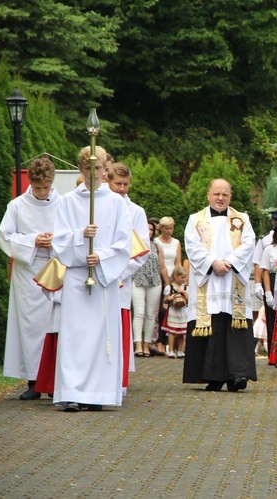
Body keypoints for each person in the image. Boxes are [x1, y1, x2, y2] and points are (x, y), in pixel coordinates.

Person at [52, 145, 131, 412]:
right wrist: (79, 236)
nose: (94, 173)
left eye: (98, 168)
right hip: (76, 278)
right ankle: (72, 391)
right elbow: (59, 242)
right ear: (80, 169)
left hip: (102, 280)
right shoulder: (66, 202)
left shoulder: (117, 203)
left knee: (101, 337)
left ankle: (99, 393)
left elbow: (124, 244)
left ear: (105, 169)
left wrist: (102, 257)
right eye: (88, 168)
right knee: (75, 337)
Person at [182, 178, 257, 392]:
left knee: (232, 323)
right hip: (209, 280)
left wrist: (230, 263)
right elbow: (193, 246)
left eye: (225, 194)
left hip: (233, 279)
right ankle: (212, 376)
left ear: (230, 196)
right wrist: (212, 263)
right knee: (212, 323)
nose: (220, 197)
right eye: (216, 193)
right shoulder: (195, 220)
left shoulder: (242, 219)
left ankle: (237, 375)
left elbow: (249, 243)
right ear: (208, 195)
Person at [0, 155, 60, 400]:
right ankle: (33, 380)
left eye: (46, 187)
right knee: (30, 327)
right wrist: (33, 240)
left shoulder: (63, 203)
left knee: (54, 325)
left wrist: (55, 240)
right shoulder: (17, 206)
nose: (43, 193)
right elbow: (4, 237)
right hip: (28, 272)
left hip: (56, 269)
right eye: (37, 188)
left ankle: (54, 381)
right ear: (30, 183)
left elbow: (72, 234)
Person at [108, 162, 150, 390]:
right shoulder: (99, 207)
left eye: (125, 184)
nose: (122, 188)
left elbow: (142, 250)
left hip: (121, 280)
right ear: (108, 181)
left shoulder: (136, 212)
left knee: (119, 331)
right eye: (118, 184)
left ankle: (118, 384)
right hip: (99, 277)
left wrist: (119, 273)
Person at [253, 209, 277, 358]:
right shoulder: (266, 243)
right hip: (272, 280)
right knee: (271, 316)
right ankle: (273, 354)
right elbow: (261, 267)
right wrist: (261, 286)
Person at [132, 218, 167, 357]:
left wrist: (168, 283)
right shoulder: (135, 243)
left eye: (152, 229)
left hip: (155, 281)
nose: (149, 232)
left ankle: (147, 344)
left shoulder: (157, 246)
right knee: (139, 312)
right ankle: (138, 343)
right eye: (147, 229)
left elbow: (162, 266)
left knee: (151, 313)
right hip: (138, 280)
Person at [153, 216, 182, 355]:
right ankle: (159, 341)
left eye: (171, 228)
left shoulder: (176, 242)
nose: (169, 231)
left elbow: (178, 263)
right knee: (161, 310)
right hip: (160, 277)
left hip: (174, 278)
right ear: (161, 228)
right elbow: (161, 263)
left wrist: (178, 282)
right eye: (166, 228)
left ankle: (170, 344)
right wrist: (167, 282)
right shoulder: (156, 242)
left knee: (172, 311)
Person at [162, 265, 189, 358]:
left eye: (185, 277)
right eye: (182, 277)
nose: (184, 280)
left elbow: (189, 300)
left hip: (183, 312)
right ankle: (171, 350)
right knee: (172, 332)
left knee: (182, 332)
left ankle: (180, 350)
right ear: (176, 276)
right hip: (173, 311)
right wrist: (169, 298)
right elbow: (164, 300)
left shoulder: (186, 288)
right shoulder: (170, 288)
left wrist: (184, 293)